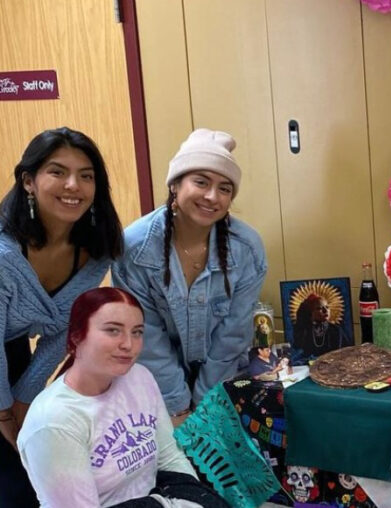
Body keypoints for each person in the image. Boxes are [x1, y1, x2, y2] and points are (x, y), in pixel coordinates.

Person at [0, 127, 124, 507]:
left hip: (12, 347)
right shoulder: (4, 254)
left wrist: (24, 402)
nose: (73, 185)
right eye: (57, 171)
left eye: (86, 175)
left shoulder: (96, 248)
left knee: (35, 465)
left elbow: (61, 332)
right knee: (12, 482)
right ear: (29, 181)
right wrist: (5, 413)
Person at [17, 288, 227, 507]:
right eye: (113, 330)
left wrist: (193, 499)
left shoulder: (139, 377)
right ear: (77, 336)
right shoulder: (54, 423)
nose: (128, 344)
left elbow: (169, 456)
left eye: (137, 332)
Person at [113, 128, 268, 425]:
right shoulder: (135, 247)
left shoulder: (247, 248)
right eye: (201, 182)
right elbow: (147, 335)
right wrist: (178, 407)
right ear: (175, 184)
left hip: (223, 382)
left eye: (224, 188)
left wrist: (206, 405)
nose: (212, 196)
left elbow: (233, 334)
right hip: (154, 384)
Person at [292, 293, 344, 359]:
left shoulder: (335, 330)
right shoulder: (305, 331)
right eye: (319, 308)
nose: (325, 311)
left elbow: (337, 354)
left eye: (327, 307)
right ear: (311, 312)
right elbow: (298, 349)